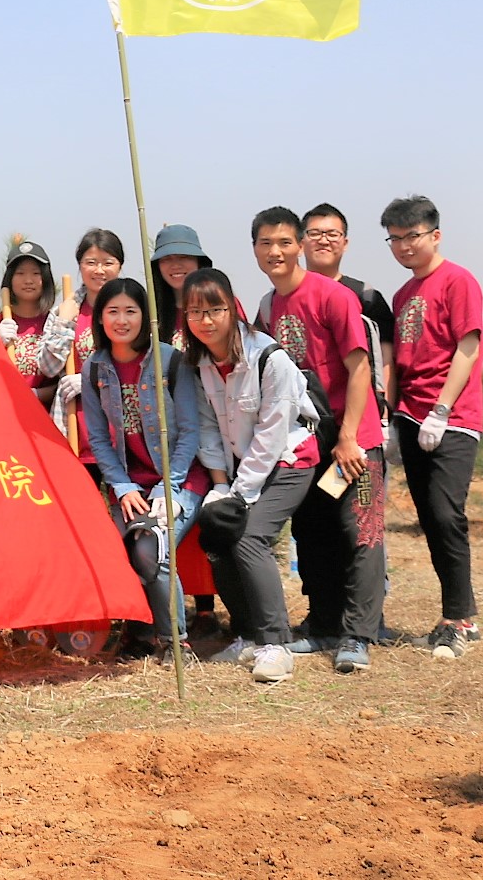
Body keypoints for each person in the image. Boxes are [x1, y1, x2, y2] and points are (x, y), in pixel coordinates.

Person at [250, 207, 385, 674]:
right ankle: (324, 622)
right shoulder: (267, 307)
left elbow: (360, 367)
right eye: (266, 243)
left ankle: (358, 633)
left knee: (361, 532)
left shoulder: (333, 296)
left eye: (285, 242)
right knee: (312, 532)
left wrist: (349, 438)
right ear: (255, 250)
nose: (276, 251)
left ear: (300, 246)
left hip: (355, 439)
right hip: (306, 441)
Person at [182, 268, 318, 685]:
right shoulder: (200, 362)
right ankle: (247, 634)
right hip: (240, 470)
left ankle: (276, 644)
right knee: (216, 534)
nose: (206, 321)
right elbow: (207, 426)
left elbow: (273, 433)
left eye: (215, 310)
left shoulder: (269, 358)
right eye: (195, 312)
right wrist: (221, 485)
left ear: (233, 308)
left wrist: (240, 495)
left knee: (248, 536)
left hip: (289, 459)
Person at [78, 278, 208, 662]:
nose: (122, 320)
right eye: (113, 312)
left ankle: (176, 642)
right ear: (100, 319)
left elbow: (190, 432)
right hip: (131, 485)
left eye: (130, 311)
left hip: (180, 480)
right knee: (116, 548)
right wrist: (122, 486)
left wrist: (169, 486)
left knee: (152, 547)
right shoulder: (95, 368)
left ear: (145, 316)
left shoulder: (170, 361)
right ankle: (139, 632)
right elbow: (98, 438)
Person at [380, 195, 483, 659]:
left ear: (435, 235)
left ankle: (457, 621)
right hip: (409, 416)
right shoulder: (403, 294)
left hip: (452, 417)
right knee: (430, 520)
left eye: (412, 236)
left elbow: (468, 347)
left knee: (446, 514)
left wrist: (441, 409)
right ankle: (460, 615)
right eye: (394, 239)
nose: (404, 246)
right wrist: (393, 417)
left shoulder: (459, 281)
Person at [36, 229, 124, 472]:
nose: (99, 270)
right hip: (75, 424)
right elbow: (47, 367)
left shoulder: (131, 310)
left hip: (121, 429)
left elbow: (137, 368)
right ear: (79, 265)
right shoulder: (64, 310)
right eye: (91, 262)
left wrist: (91, 380)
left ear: (119, 266)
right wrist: (64, 323)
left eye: (108, 263)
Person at [301, 203, 396, 426]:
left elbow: (386, 355)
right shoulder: (280, 298)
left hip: (361, 418)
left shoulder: (366, 296)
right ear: (301, 242)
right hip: (304, 417)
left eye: (332, 234)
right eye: (315, 233)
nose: (323, 240)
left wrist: (385, 409)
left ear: (345, 243)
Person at [0, 241, 62, 408]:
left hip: (44, 416)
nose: (28, 280)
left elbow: (63, 380)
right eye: (20, 273)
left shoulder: (56, 324)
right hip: (5, 412)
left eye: (36, 273)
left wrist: (34, 394)